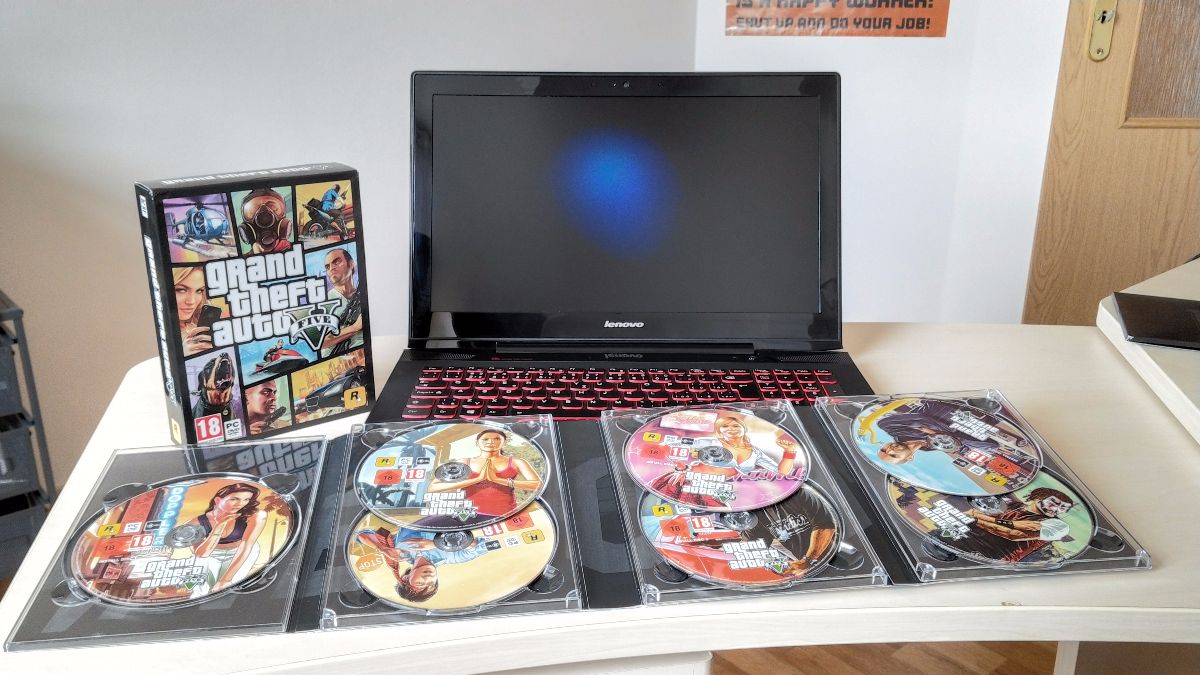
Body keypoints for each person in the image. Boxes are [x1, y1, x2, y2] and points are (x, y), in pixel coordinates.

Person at [354, 525, 492, 603]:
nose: (428, 578)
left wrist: (383, 548)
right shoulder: (453, 557)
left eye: (420, 583)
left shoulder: (400, 551)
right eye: (432, 583)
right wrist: (436, 544)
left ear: (406, 578)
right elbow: (486, 545)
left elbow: (361, 535)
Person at [874, 398, 1028, 466]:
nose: (890, 450)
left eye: (884, 449)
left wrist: (937, 433)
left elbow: (921, 419)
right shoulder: (930, 448)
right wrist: (954, 441)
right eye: (893, 455)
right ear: (909, 458)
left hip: (954, 404)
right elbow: (970, 443)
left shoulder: (888, 427)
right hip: (986, 416)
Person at [426, 429, 542, 517]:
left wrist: (499, 480)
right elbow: (433, 487)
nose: (491, 442)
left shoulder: (517, 462)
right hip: (468, 514)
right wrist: (476, 479)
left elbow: (538, 485)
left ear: (503, 442)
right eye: (485, 439)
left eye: (497, 439)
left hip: (505, 514)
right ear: (477, 443)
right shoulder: (464, 462)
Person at [950, 486, 1078, 564]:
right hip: (962, 540)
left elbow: (1012, 534)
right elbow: (972, 512)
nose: (1056, 509)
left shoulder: (1054, 525)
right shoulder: (1012, 504)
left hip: (989, 557)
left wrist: (977, 518)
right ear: (1039, 497)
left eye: (1063, 508)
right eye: (1054, 502)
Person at [187, 483, 270, 593]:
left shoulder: (256, 515)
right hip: (211, 555)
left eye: (246, 499)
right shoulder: (195, 523)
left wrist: (226, 580)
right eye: (234, 499)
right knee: (200, 590)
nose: (240, 504)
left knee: (232, 585)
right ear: (217, 500)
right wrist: (219, 526)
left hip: (242, 551)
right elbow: (201, 555)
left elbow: (246, 545)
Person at [712, 415, 801, 476]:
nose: (731, 429)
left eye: (736, 426)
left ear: (744, 429)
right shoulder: (710, 442)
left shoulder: (755, 453)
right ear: (719, 431)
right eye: (725, 426)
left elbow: (782, 472)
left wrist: (789, 451)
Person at [319, 249, 364, 357]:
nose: (331, 268)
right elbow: (321, 342)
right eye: (327, 267)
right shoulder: (324, 303)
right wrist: (354, 328)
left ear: (351, 264)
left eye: (337, 262)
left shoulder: (363, 294)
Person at [174, 267, 216, 356]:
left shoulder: (200, 325)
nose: (191, 301)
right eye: (181, 290)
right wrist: (183, 354)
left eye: (199, 291)